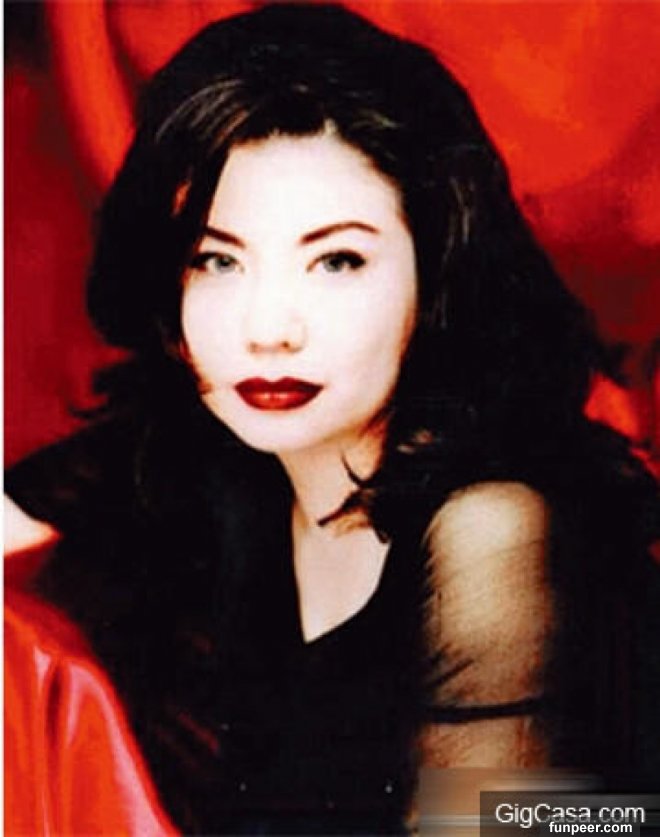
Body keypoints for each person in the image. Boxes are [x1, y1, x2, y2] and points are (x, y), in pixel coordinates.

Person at [5, 3, 659, 834]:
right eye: (218, 260)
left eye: (338, 260)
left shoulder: (493, 531)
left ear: (436, 268)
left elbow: (552, 823)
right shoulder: (211, 458)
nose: (269, 326)